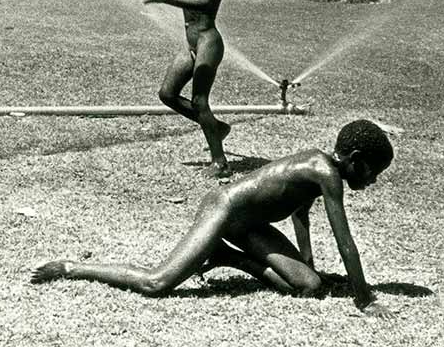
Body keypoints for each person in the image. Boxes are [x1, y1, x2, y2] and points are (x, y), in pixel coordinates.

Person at [32, 119, 394, 317]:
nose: (373, 181)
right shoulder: (326, 172)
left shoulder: (321, 169)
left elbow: (302, 215)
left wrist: (308, 266)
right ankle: (72, 267)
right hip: (222, 210)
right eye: (372, 172)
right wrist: (364, 299)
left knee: (310, 287)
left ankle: (225, 256)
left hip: (248, 225)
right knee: (156, 284)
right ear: (355, 158)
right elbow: (344, 240)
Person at [136, 0, 231, 177]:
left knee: (200, 102)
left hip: (207, 43)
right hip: (191, 44)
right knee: (167, 94)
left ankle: (220, 162)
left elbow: (203, 3)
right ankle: (216, 128)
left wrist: (165, 0)